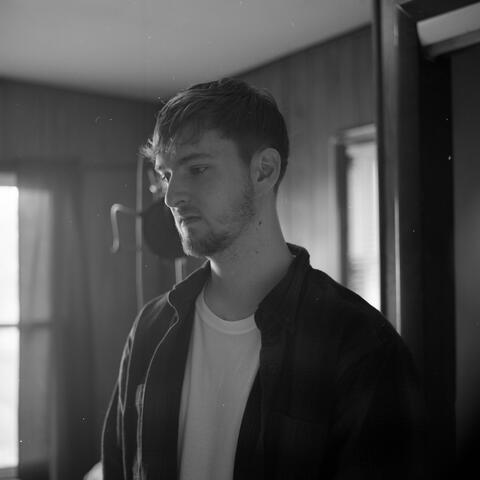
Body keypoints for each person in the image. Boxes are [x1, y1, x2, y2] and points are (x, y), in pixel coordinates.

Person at [102, 78, 424, 480]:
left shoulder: (360, 345)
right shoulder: (150, 329)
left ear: (264, 171)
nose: (171, 197)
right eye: (166, 175)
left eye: (197, 169)